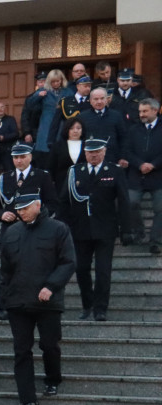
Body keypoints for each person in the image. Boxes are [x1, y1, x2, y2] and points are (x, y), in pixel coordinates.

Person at [0, 192, 76, 405]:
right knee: (21, 351)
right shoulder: (12, 232)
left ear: (38, 205)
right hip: (18, 302)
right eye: (18, 209)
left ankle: (53, 378)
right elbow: (5, 270)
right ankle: (28, 399)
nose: (21, 212)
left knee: (49, 345)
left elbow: (68, 262)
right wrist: (2, 300)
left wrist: (51, 286)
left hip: (47, 302)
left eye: (25, 208)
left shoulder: (58, 229)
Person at [60, 138, 133, 321]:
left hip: (105, 229)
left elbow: (124, 201)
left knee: (103, 272)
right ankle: (88, 304)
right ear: (85, 153)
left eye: (97, 152)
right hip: (80, 229)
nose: (93, 155)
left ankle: (100, 308)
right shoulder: (75, 172)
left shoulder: (114, 171)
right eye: (90, 152)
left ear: (104, 152)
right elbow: (64, 201)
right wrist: (63, 227)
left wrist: (126, 229)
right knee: (81, 269)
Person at [0, 143, 59, 320]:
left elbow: (52, 203)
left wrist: (37, 216)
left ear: (30, 157)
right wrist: (1, 214)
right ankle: (3, 306)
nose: (19, 161)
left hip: (34, 229)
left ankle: (32, 303)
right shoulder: (5, 178)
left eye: (22, 157)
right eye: (16, 157)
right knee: (7, 268)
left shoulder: (42, 176)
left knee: (33, 266)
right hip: (10, 230)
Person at [124, 98, 162, 253]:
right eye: (140, 111)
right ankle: (139, 233)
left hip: (158, 176)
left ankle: (156, 241)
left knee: (160, 209)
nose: (141, 114)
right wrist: (140, 164)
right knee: (131, 202)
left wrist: (153, 164)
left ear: (155, 110)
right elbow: (127, 151)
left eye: (145, 111)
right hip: (136, 175)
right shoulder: (133, 129)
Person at [78, 88, 127, 165]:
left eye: (102, 98)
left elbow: (123, 138)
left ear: (107, 99)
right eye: (96, 99)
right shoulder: (82, 117)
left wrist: (123, 157)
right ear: (90, 101)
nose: (99, 101)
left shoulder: (116, 116)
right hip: (90, 159)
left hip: (112, 158)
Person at [33, 69, 68, 167]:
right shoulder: (43, 90)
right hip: (46, 125)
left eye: (57, 81)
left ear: (61, 80)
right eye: (53, 81)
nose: (55, 83)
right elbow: (30, 103)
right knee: (45, 158)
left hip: (62, 124)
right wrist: (38, 96)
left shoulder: (68, 91)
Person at [47, 75, 92, 146]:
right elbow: (55, 123)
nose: (88, 88)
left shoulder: (92, 101)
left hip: (87, 139)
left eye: (89, 86)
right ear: (78, 86)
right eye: (85, 86)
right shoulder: (65, 101)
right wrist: (50, 141)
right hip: (68, 139)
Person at [46, 118, 87, 191]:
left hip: (83, 185)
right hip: (61, 186)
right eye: (71, 128)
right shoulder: (57, 146)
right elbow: (51, 167)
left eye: (78, 128)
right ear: (67, 130)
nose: (75, 131)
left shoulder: (87, 146)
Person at [20, 71, 48, 146]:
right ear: (37, 83)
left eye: (45, 82)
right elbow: (25, 117)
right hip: (34, 132)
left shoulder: (52, 96)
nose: (43, 84)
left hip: (48, 131)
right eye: (40, 82)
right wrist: (27, 133)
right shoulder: (30, 98)